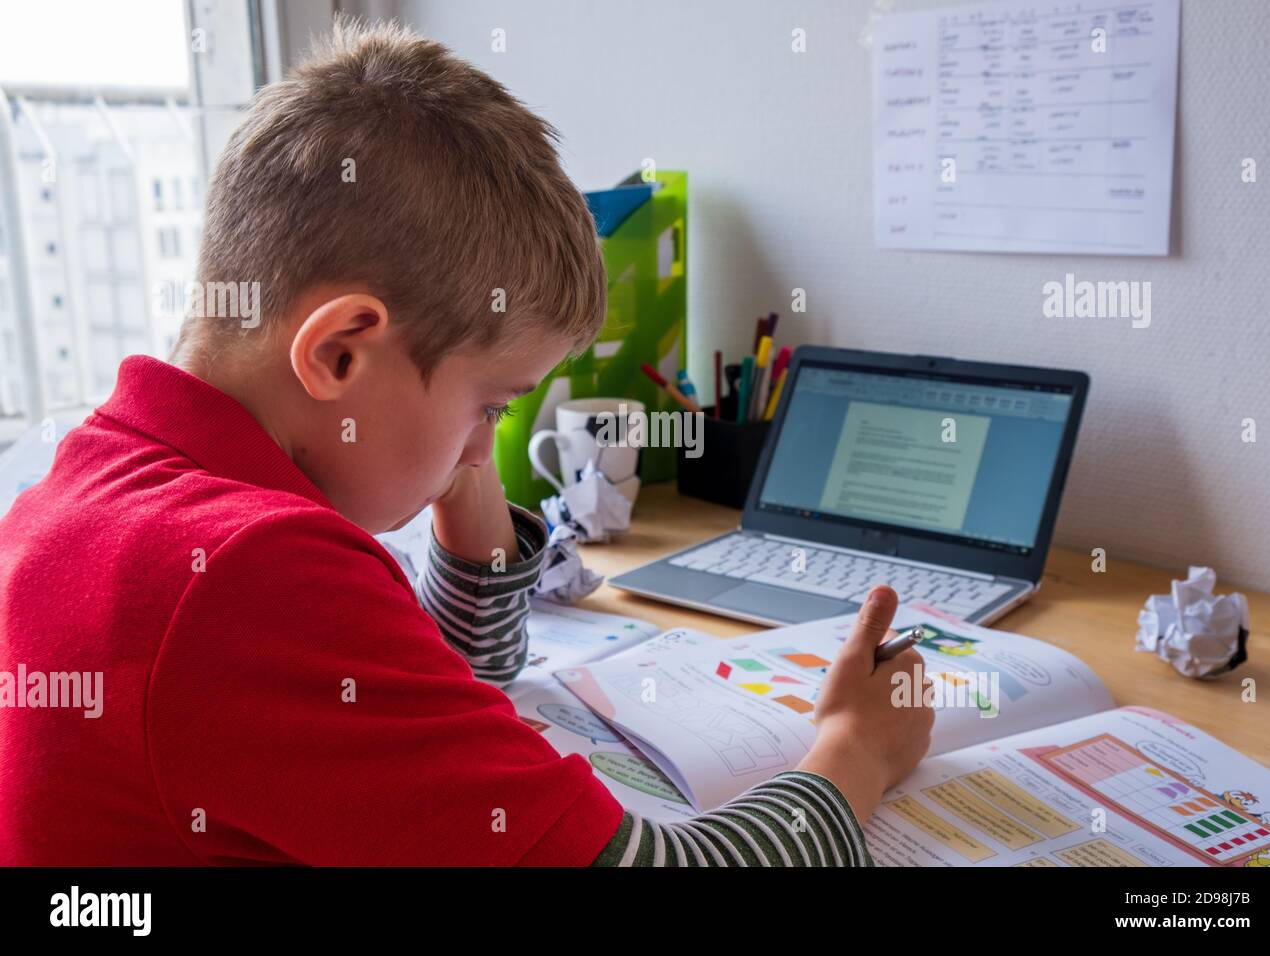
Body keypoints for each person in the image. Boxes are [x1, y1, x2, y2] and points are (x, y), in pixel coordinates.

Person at [0, 17, 932, 866]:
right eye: (492, 403)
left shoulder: (92, 486)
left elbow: (427, 696)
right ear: (338, 353)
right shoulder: (250, 570)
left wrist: (459, 463)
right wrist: (853, 750)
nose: (484, 440)